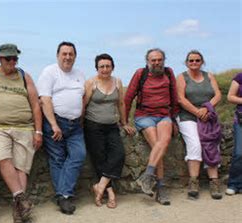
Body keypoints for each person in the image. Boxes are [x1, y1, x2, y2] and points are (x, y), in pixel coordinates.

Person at [0, 44, 43, 223]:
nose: (12, 62)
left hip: (24, 127)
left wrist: (38, 131)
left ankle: (19, 210)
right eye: (8, 58)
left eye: (15, 58)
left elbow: (36, 105)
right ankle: (21, 199)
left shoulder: (24, 76)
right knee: (2, 158)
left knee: (21, 167)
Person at [124, 48, 179, 206]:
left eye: (159, 59)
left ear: (164, 60)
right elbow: (128, 98)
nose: (156, 63)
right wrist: (124, 121)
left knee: (165, 140)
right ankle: (161, 188)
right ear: (147, 61)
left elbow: (174, 97)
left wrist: (174, 120)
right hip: (144, 116)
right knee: (157, 145)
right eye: (153, 60)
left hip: (164, 115)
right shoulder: (140, 74)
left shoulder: (169, 73)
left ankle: (146, 177)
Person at [37, 41, 86, 215]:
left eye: (71, 54)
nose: (67, 57)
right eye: (64, 54)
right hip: (56, 123)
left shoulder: (80, 74)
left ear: (75, 56)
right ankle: (65, 196)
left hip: (75, 125)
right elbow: (45, 99)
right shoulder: (49, 72)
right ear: (58, 55)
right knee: (57, 159)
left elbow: (82, 98)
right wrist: (53, 124)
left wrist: (81, 117)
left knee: (79, 154)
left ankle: (62, 194)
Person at [84, 54, 135, 209]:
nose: (105, 69)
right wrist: (79, 125)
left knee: (118, 154)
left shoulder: (117, 82)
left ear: (112, 67)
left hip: (112, 125)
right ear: (97, 68)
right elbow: (83, 105)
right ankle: (111, 193)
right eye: (102, 66)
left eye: (108, 66)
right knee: (100, 160)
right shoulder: (91, 83)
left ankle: (99, 186)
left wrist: (124, 122)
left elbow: (121, 104)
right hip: (93, 125)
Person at [176, 50, 223, 199]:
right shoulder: (182, 77)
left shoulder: (209, 76)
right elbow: (181, 99)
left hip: (208, 116)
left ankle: (214, 181)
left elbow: (218, 95)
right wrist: (197, 112)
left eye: (197, 60)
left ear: (202, 62)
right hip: (187, 116)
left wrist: (206, 108)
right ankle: (194, 181)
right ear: (186, 62)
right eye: (191, 61)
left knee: (211, 144)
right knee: (195, 144)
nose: (194, 63)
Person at [226, 72, 242, 196]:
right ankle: (234, 184)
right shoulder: (240, 76)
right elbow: (230, 96)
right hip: (241, 120)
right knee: (239, 152)